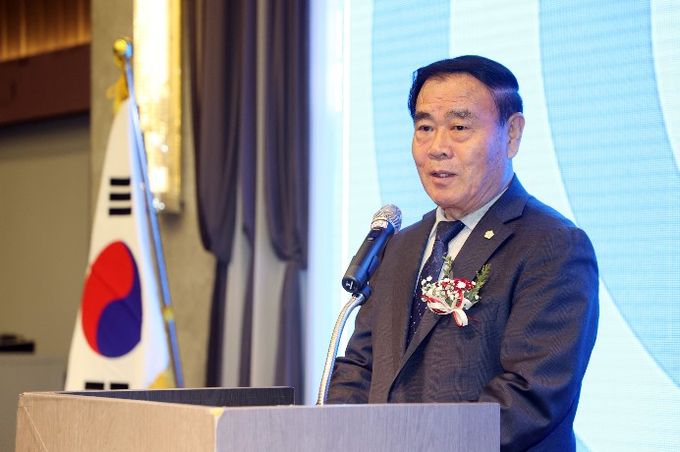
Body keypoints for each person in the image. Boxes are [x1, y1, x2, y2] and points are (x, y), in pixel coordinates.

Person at [326, 55, 599, 452]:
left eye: (459, 127)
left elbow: (528, 396)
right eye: (424, 127)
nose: (438, 148)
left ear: (512, 135)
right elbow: (359, 368)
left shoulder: (553, 246)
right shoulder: (398, 246)